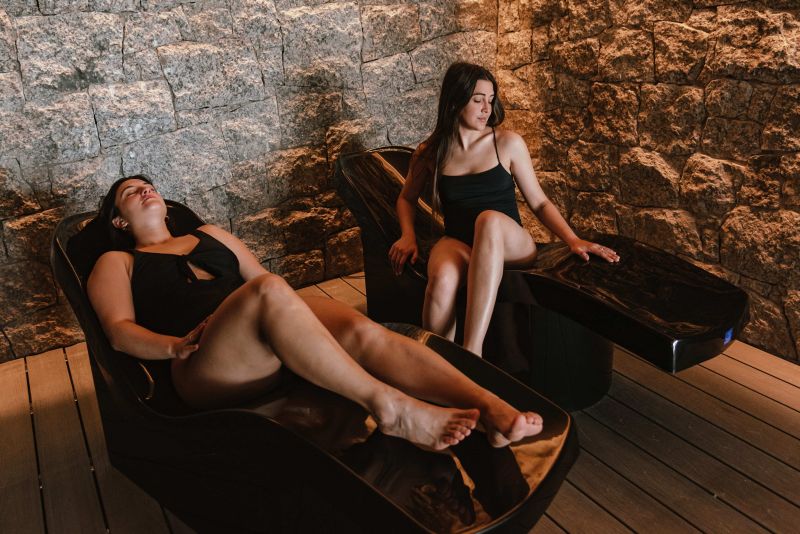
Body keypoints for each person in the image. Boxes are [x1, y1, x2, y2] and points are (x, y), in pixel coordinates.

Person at [86, 175, 544, 452]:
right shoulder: (117, 262)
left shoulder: (211, 234)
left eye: (148, 185)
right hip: (204, 364)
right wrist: (175, 347)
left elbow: (264, 280)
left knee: (362, 331)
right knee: (269, 290)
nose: (145, 189)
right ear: (119, 221)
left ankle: (489, 407)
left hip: (258, 331)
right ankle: (391, 407)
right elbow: (118, 332)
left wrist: (308, 324)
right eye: (130, 191)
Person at [389, 62, 620, 356]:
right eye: (478, 100)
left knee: (488, 220)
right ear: (455, 101)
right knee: (442, 279)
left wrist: (572, 240)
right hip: (459, 240)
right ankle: (437, 365)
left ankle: (472, 353)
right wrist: (407, 235)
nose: (486, 108)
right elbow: (406, 198)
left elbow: (540, 203)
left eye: (490, 99)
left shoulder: (507, 143)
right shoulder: (431, 152)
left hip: (511, 243)